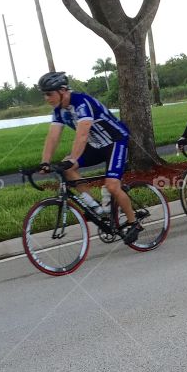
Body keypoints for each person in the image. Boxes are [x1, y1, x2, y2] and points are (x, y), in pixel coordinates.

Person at [37, 71, 140, 243]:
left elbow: (82, 134)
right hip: (96, 146)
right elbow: (53, 137)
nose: (47, 98)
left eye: (49, 93)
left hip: (115, 142)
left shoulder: (81, 103)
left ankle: (134, 222)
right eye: (44, 95)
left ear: (63, 90)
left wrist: (73, 158)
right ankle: (97, 209)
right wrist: (45, 162)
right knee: (68, 170)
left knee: (113, 186)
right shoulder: (59, 111)